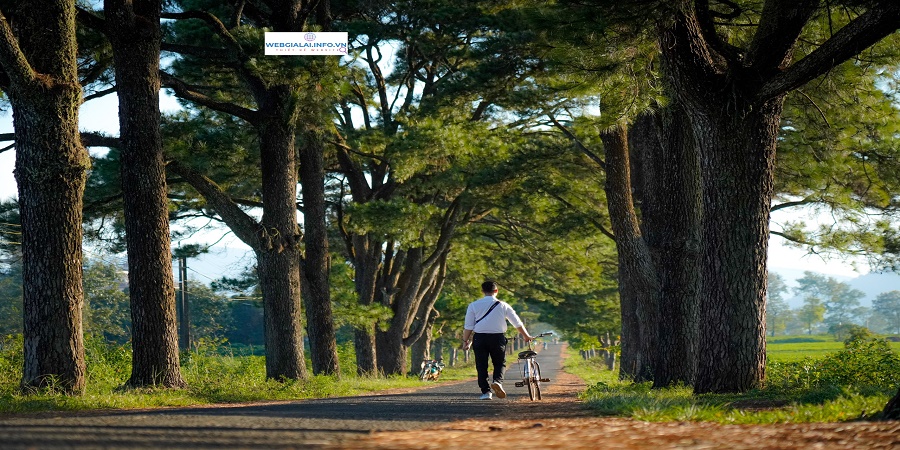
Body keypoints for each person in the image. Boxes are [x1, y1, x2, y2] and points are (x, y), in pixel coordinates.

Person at [460, 280, 533, 400]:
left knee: (481, 365)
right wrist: (526, 336)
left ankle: (486, 392)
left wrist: (465, 341)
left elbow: (468, 326)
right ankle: (498, 381)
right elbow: (517, 323)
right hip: (497, 337)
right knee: (499, 363)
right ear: (496, 291)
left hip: (480, 338)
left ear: (482, 291)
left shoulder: (473, 305)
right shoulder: (503, 305)